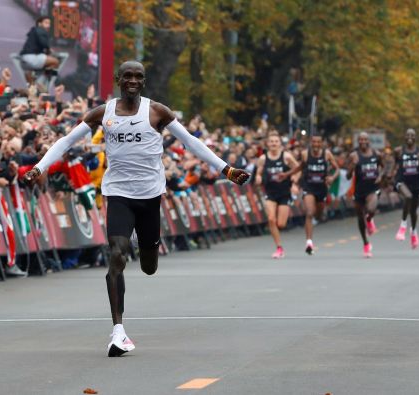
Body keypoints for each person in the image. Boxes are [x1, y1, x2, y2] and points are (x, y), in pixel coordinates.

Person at [24, 61, 250, 357]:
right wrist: (39, 168)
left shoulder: (157, 111)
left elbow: (191, 142)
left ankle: (148, 247)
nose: (132, 80)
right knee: (116, 254)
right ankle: (118, 331)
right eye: (127, 76)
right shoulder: (102, 113)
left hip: (149, 196)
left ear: (143, 81)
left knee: (148, 266)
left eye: (138, 77)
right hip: (117, 193)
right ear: (118, 79)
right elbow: (66, 142)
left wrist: (226, 169)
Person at [288, 134, 339, 255]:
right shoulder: (305, 154)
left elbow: (337, 169)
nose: (316, 145)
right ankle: (309, 242)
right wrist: (287, 175)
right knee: (309, 212)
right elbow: (300, 167)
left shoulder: (327, 154)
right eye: (314, 142)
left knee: (319, 215)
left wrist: (332, 177)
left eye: (318, 142)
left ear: (322, 143)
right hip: (308, 187)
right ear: (311, 142)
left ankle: (318, 216)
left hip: (321, 188)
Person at [255, 131, 299, 259]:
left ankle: (279, 244)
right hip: (270, 192)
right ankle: (279, 248)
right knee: (270, 219)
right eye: (271, 141)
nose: (274, 143)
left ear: (280, 144)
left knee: (281, 224)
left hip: (285, 193)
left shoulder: (286, 157)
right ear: (268, 144)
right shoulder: (263, 158)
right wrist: (258, 178)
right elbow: (258, 172)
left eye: (276, 141)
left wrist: (295, 182)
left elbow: (298, 169)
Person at [346, 132, 384, 258]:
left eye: (365, 139)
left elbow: (383, 168)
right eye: (360, 139)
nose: (362, 141)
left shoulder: (376, 154)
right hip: (359, 190)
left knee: (371, 209)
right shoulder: (354, 155)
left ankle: (370, 219)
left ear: (369, 141)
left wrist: (380, 175)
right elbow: (347, 175)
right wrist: (353, 165)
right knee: (360, 218)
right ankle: (366, 244)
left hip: (372, 188)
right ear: (358, 141)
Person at [391, 128, 419, 249]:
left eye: (412, 135)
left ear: (416, 137)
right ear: (404, 137)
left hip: (416, 183)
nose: (410, 137)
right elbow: (393, 164)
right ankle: (403, 225)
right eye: (407, 135)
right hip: (401, 181)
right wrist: (389, 175)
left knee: (413, 212)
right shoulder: (398, 150)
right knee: (408, 196)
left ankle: (414, 232)